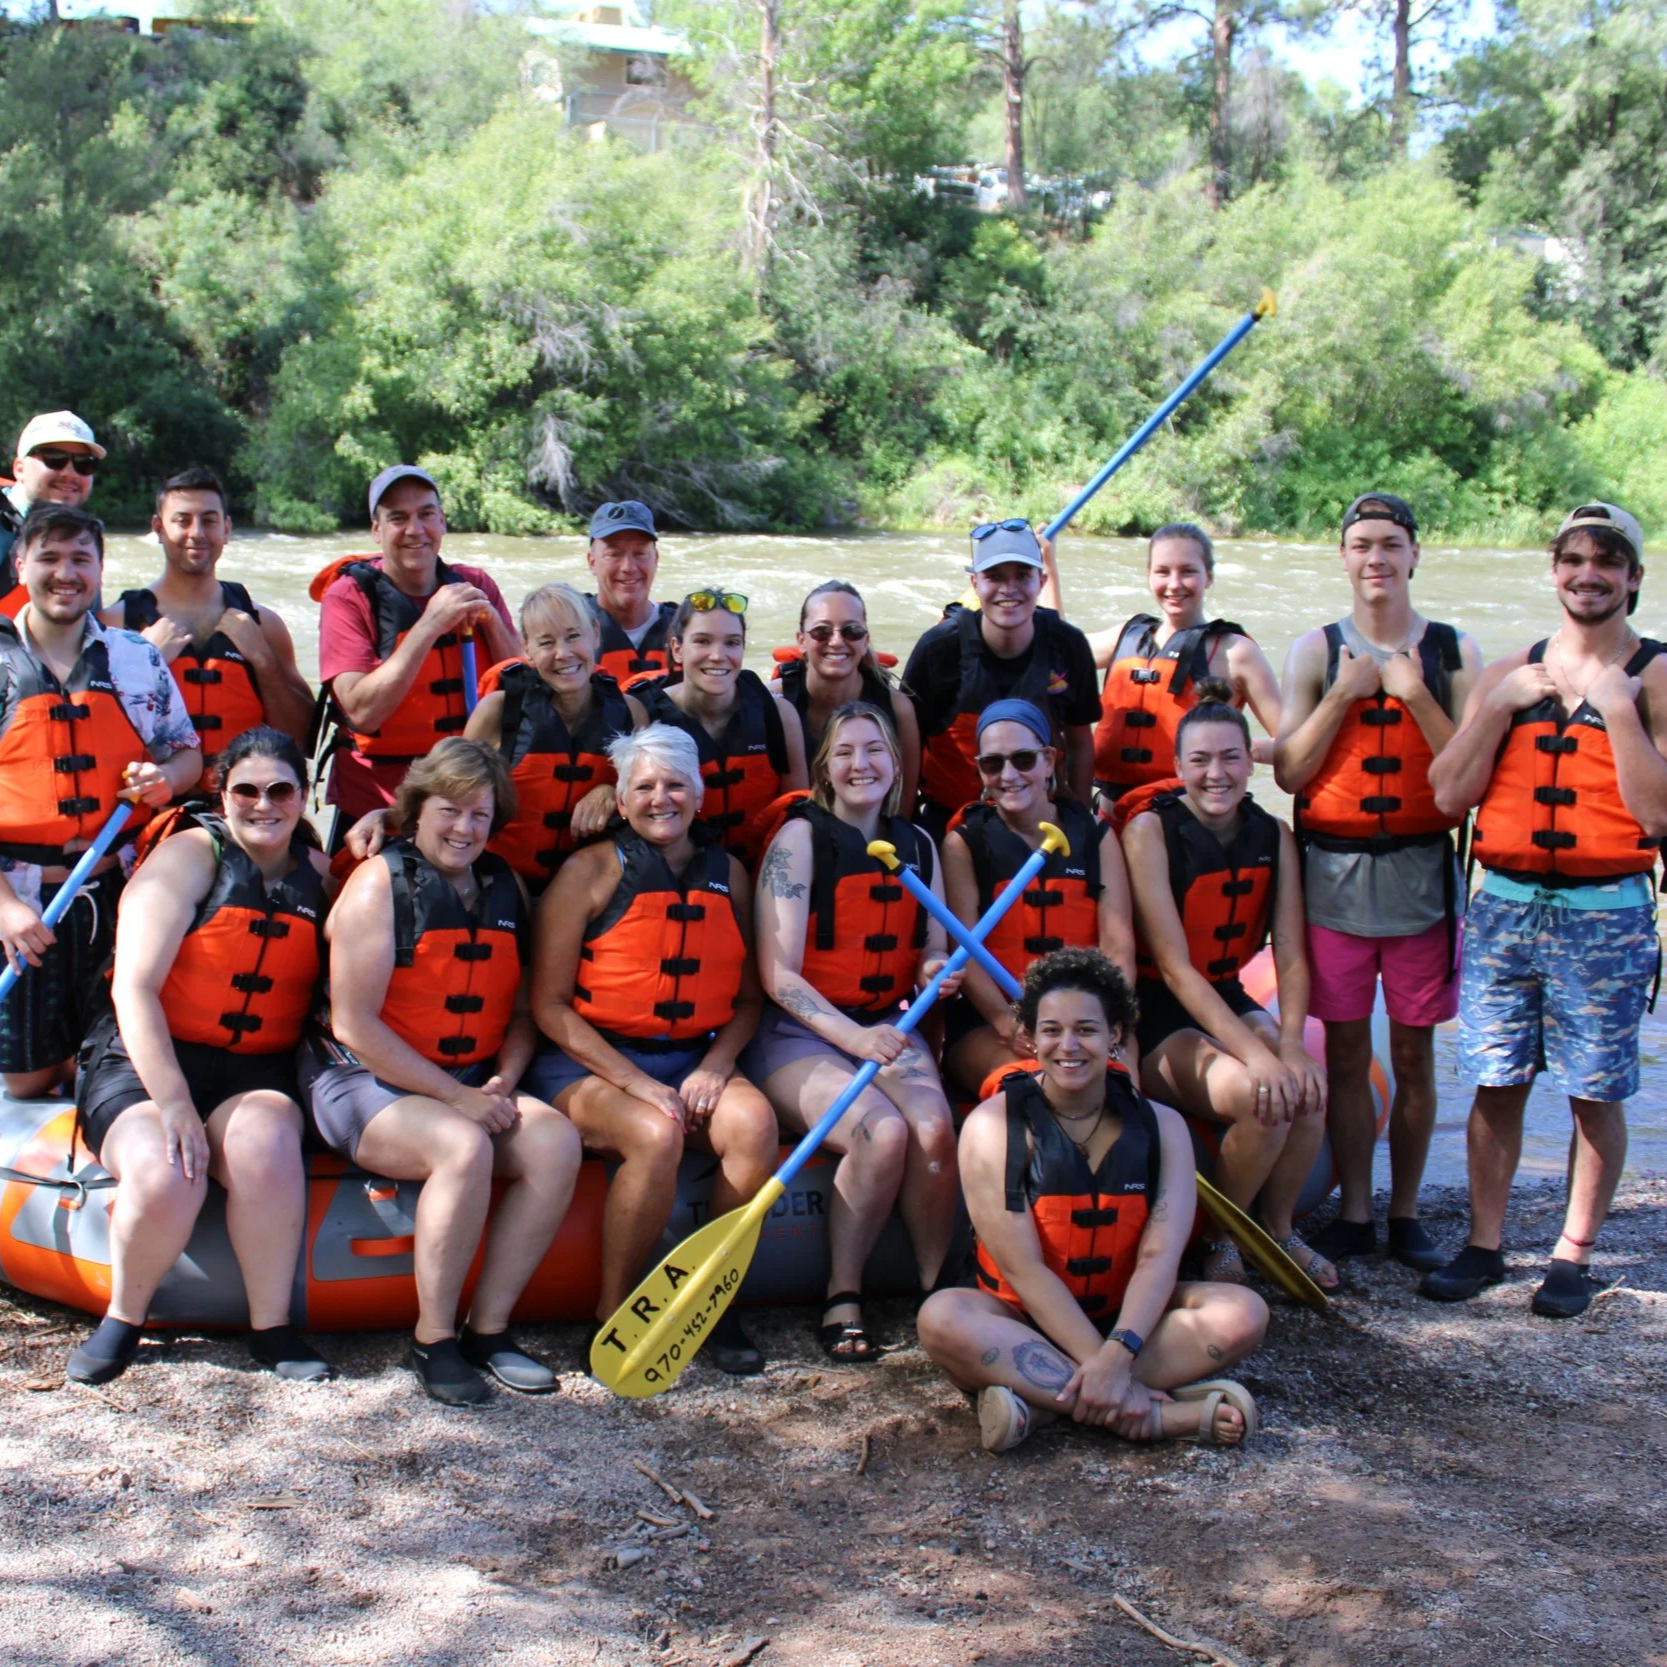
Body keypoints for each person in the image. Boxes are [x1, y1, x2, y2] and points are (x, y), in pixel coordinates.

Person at [1423, 501, 1667, 1319]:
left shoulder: (1655, 676)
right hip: (1504, 911)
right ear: (1553, 570)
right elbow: (1448, 794)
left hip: (1607, 913)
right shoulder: (1507, 675)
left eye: (1607, 561)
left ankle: (1572, 1252)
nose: (1587, 574)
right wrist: (1496, 707)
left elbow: (1657, 814)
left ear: (1633, 577)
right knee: (1495, 1078)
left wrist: (1618, 707)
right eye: (1572, 559)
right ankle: (1485, 1242)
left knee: (1595, 1089)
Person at [301, 738, 582, 1404]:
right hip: (358, 1080)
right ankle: (434, 1339)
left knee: (553, 1140)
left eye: (480, 815)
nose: (464, 828)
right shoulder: (378, 883)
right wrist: (458, 1097)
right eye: (450, 811)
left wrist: (502, 1082)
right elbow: (354, 1025)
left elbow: (518, 1011)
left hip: (466, 1078)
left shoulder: (503, 884)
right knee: (462, 1145)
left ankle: (490, 1328)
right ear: (416, 809)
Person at [917, 950, 1268, 1452]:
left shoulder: (1161, 1126)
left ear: (1116, 1035)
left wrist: (1116, 1357)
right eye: (1052, 1030)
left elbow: (1158, 1258)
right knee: (942, 1318)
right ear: (1031, 1038)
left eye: (1086, 1029)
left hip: (1127, 1321)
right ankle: (1150, 1415)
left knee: (1244, 1312)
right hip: (1020, 1320)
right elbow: (1024, 1269)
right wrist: (1105, 1368)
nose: (1068, 1046)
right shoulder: (993, 1127)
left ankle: (1042, 1406)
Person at [66, 730, 335, 1386]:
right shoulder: (188, 857)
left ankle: (271, 1327)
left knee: (268, 1145)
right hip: (143, 1057)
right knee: (168, 1170)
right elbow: (133, 988)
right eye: (246, 789)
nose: (263, 804)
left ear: (304, 797)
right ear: (223, 792)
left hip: (253, 1070)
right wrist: (175, 1103)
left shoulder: (321, 876)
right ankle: (123, 1318)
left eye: (281, 790)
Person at [530, 724, 779, 1375]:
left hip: (691, 1054)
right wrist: (636, 1082)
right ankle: (612, 1315)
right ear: (620, 800)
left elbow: (749, 999)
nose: (660, 798)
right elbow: (548, 1005)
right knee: (657, 1130)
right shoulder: (584, 873)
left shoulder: (728, 874)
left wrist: (715, 1066)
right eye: (644, 786)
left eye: (675, 785)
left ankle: (705, 1299)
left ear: (698, 795)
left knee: (754, 1125)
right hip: (590, 1061)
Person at [1274, 494, 1481, 1273]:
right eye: (1361, 544)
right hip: (1331, 877)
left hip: (1420, 879)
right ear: (1343, 557)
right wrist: (1342, 693)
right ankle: (1355, 1211)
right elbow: (1291, 770)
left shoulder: (1454, 652)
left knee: (1416, 1053)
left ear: (1414, 554)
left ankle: (1405, 1213)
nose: (1375, 559)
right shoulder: (1313, 651)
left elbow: (1467, 779)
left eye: (1390, 544)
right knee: (1348, 1052)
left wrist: (1413, 692)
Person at [750, 703, 961, 1359]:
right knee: (882, 1130)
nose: (859, 763)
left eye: (873, 750)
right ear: (824, 769)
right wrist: (854, 1038)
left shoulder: (919, 844)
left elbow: (929, 943)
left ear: (895, 765)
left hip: (887, 1025)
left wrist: (933, 969)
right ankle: (843, 1293)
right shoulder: (799, 840)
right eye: (843, 752)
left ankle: (936, 1291)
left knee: (932, 1131)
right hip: (798, 1031)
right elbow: (777, 975)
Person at [1122, 685, 1334, 1289]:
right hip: (1158, 1007)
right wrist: (1257, 1056)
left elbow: (1290, 951)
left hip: (1227, 993)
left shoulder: (1274, 835)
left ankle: (1280, 1229)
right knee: (1260, 1096)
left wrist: (1289, 1043)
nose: (1216, 774)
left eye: (1230, 758)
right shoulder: (1150, 834)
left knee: (1307, 1086)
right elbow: (1174, 966)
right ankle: (1221, 1239)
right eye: (1200, 761)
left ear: (1250, 760)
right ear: (1178, 766)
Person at [0, 505, 201, 1099]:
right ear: (20, 565)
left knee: (115, 1057)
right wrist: (4, 907)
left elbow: (188, 754)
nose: (67, 574)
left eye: (81, 559)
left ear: (100, 568)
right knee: (25, 1079)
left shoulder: (136, 658)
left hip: (121, 889)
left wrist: (164, 779)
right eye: (50, 559)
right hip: (23, 901)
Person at [940, 698, 1136, 1100]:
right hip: (991, 1021)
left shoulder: (1096, 837)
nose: (1008, 775)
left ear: (1048, 760)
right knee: (1037, 1093)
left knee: (1119, 1094)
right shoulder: (964, 843)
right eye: (993, 764)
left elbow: (1118, 946)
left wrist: (1098, 1022)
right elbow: (963, 950)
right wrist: (1006, 1023)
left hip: (1086, 1016)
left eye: (1023, 759)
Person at [315, 466, 520, 825]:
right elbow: (362, 713)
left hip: (466, 797)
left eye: (426, 514)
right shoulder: (348, 596)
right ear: (377, 530)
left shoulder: (476, 583)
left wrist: (493, 623)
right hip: (377, 802)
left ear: (441, 521)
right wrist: (431, 623)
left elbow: (523, 691)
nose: (415, 530)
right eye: (398, 518)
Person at [104, 467, 314, 792]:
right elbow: (88, 737)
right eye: (182, 520)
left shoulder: (264, 624)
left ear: (227, 529)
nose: (197, 532)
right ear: (158, 528)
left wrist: (263, 660)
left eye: (210, 520)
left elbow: (302, 742)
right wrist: (143, 664)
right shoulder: (116, 624)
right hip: (152, 808)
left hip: (245, 810)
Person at [903, 521, 1099, 840]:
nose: (1008, 589)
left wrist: (1079, 823)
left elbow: (1079, 743)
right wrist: (903, 823)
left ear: (1042, 581)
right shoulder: (938, 649)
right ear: (975, 583)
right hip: (951, 821)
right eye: (994, 577)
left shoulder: (1069, 646)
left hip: (1042, 823)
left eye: (1022, 575)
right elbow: (906, 744)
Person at [1084, 523, 1282, 809]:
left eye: (1188, 571)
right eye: (1163, 571)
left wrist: (1238, 752)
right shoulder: (1123, 638)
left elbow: (1293, 743)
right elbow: (1060, 647)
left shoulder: (1236, 652)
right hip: (1112, 812)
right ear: (1149, 576)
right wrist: (1048, 569)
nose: (1174, 584)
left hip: (1187, 818)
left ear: (1209, 577)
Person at [466, 583, 648, 888]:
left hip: (591, 885)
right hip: (503, 880)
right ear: (527, 649)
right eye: (546, 642)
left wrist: (612, 791)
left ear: (595, 634)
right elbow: (443, 789)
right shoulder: (497, 711)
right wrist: (385, 816)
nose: (563, 654)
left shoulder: (632, 714)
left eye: (574, 636)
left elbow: (656, 797)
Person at [633, 589, 808, 865]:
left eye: (732, 643)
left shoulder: (779, 716)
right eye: (703, 641)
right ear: (677, 649)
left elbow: (799, 816)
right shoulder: (643, 714)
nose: (718, 655)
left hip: (761, 871)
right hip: (677, 872)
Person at [775, 580, 920, 812]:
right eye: (821, 631)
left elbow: (903, 806)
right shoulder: (774, 702)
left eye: (851, 631)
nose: (836, 642)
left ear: (865, 641)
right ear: (801, 641)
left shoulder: (898, 708)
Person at [1, 411, 104, 617]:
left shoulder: (83, 536)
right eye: (54, 459)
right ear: (19, 469)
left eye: (84, 463)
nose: (69, 473)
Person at [586, 500, 678, 685]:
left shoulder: (685, 628)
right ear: (592, 562)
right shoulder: (567, 627)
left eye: (640, 553)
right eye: (614, 554)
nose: (628, 567)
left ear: (656, 559)